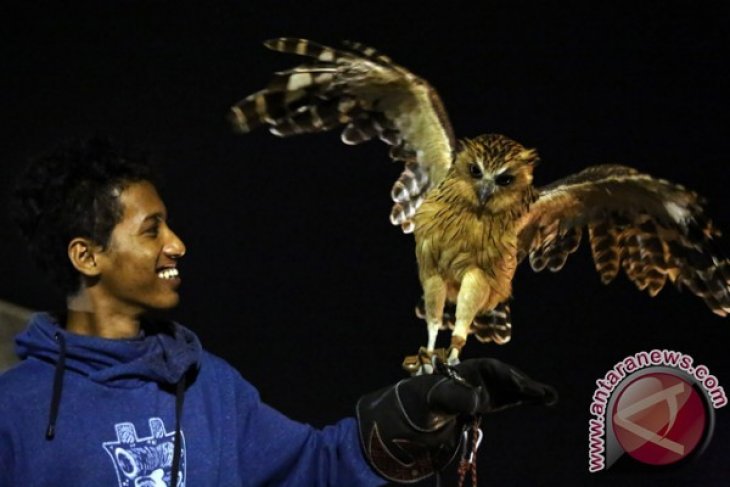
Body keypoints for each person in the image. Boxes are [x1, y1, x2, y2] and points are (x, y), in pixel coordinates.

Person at [0, 138, 556, 486]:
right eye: (152, 230)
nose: (177, 244)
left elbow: (316, 466)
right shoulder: (15, 410)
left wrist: (412, 416)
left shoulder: (210, 387)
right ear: (87, 255)